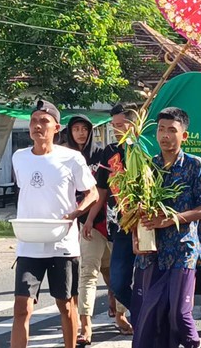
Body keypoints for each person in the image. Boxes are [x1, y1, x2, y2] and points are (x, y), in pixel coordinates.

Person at [10, 100, 99, 348]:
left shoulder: (71, 158)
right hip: (29, 244)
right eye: (34, 121)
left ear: (56, 127)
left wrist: (76, 212)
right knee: (21, 307)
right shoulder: (19, 157)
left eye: (44, 121)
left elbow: (92, 193)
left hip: (63, 244)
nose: (38, 126)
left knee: (66, 304)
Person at [132, 107, 201, 348]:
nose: (165, 135)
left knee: (179, 313)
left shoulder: (195, 165)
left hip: (183, 249)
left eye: (172, 130)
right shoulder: (148, 167)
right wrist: (136, 235)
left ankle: (193, 344)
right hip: (153, 251)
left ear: (184, 135)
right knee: (152, 313)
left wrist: (171, 219)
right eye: (161, 129)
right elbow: (136, 208)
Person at [65, 115, 126, 345]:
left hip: (113, 221)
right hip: (86, 223)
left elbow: (103, 190)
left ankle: (120, 314)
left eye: (84, 129)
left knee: (115, 273)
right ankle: (86, 326)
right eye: (76, 129)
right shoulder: (63, 157)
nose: (80, 133)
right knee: (88, 273)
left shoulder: (104, 153)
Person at [89, 103, 136, 334]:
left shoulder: (148, 148)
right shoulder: (110, 151)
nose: (117, 129)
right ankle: (132, 312)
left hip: (148, 223)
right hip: (119, 224)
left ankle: (138, 318)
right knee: (118, 280)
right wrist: (89, 219)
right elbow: (102, 191)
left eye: (122, 125)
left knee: (142, 278)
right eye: (114, 125)